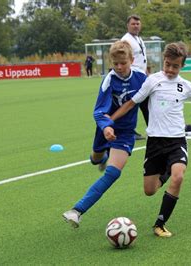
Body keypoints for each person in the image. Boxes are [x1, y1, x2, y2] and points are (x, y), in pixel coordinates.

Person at [109, 42, 191, 237]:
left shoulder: (186, 86)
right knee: (149, 190)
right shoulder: (152, 81)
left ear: (182, 65)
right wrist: (109, 122)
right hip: (155, 142)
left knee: (178, 176)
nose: (170, 69)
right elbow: (130, 103)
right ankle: (166, 173)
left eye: (175, 66)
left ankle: (160, 224)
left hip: (177, 141)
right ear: (164, 61)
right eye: (168, 64)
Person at [62, 41, 147, 228]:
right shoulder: (109, 79)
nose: (119, 67)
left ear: (132, 60)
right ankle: (101, 157)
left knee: (113, 172)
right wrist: (107, 126)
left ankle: (76, 211)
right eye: (115, 63)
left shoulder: (142, 78)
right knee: (95, 158)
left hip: (125, 132)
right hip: (105, 128)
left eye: (123, 63)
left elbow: (149, 104)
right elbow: (99, 111)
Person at [121, 14, 149, 140]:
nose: (136, 26)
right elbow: (124, 59)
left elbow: (141, 59)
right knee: (137, 104)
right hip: (133, 77)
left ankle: (152, 129)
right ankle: (130, 130)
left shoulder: (138, 38)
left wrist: (147, 73)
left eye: (138, 24)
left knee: (144, 103)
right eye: (133, 24)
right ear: (128, 25)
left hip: (141, 77)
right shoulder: (126, 40)